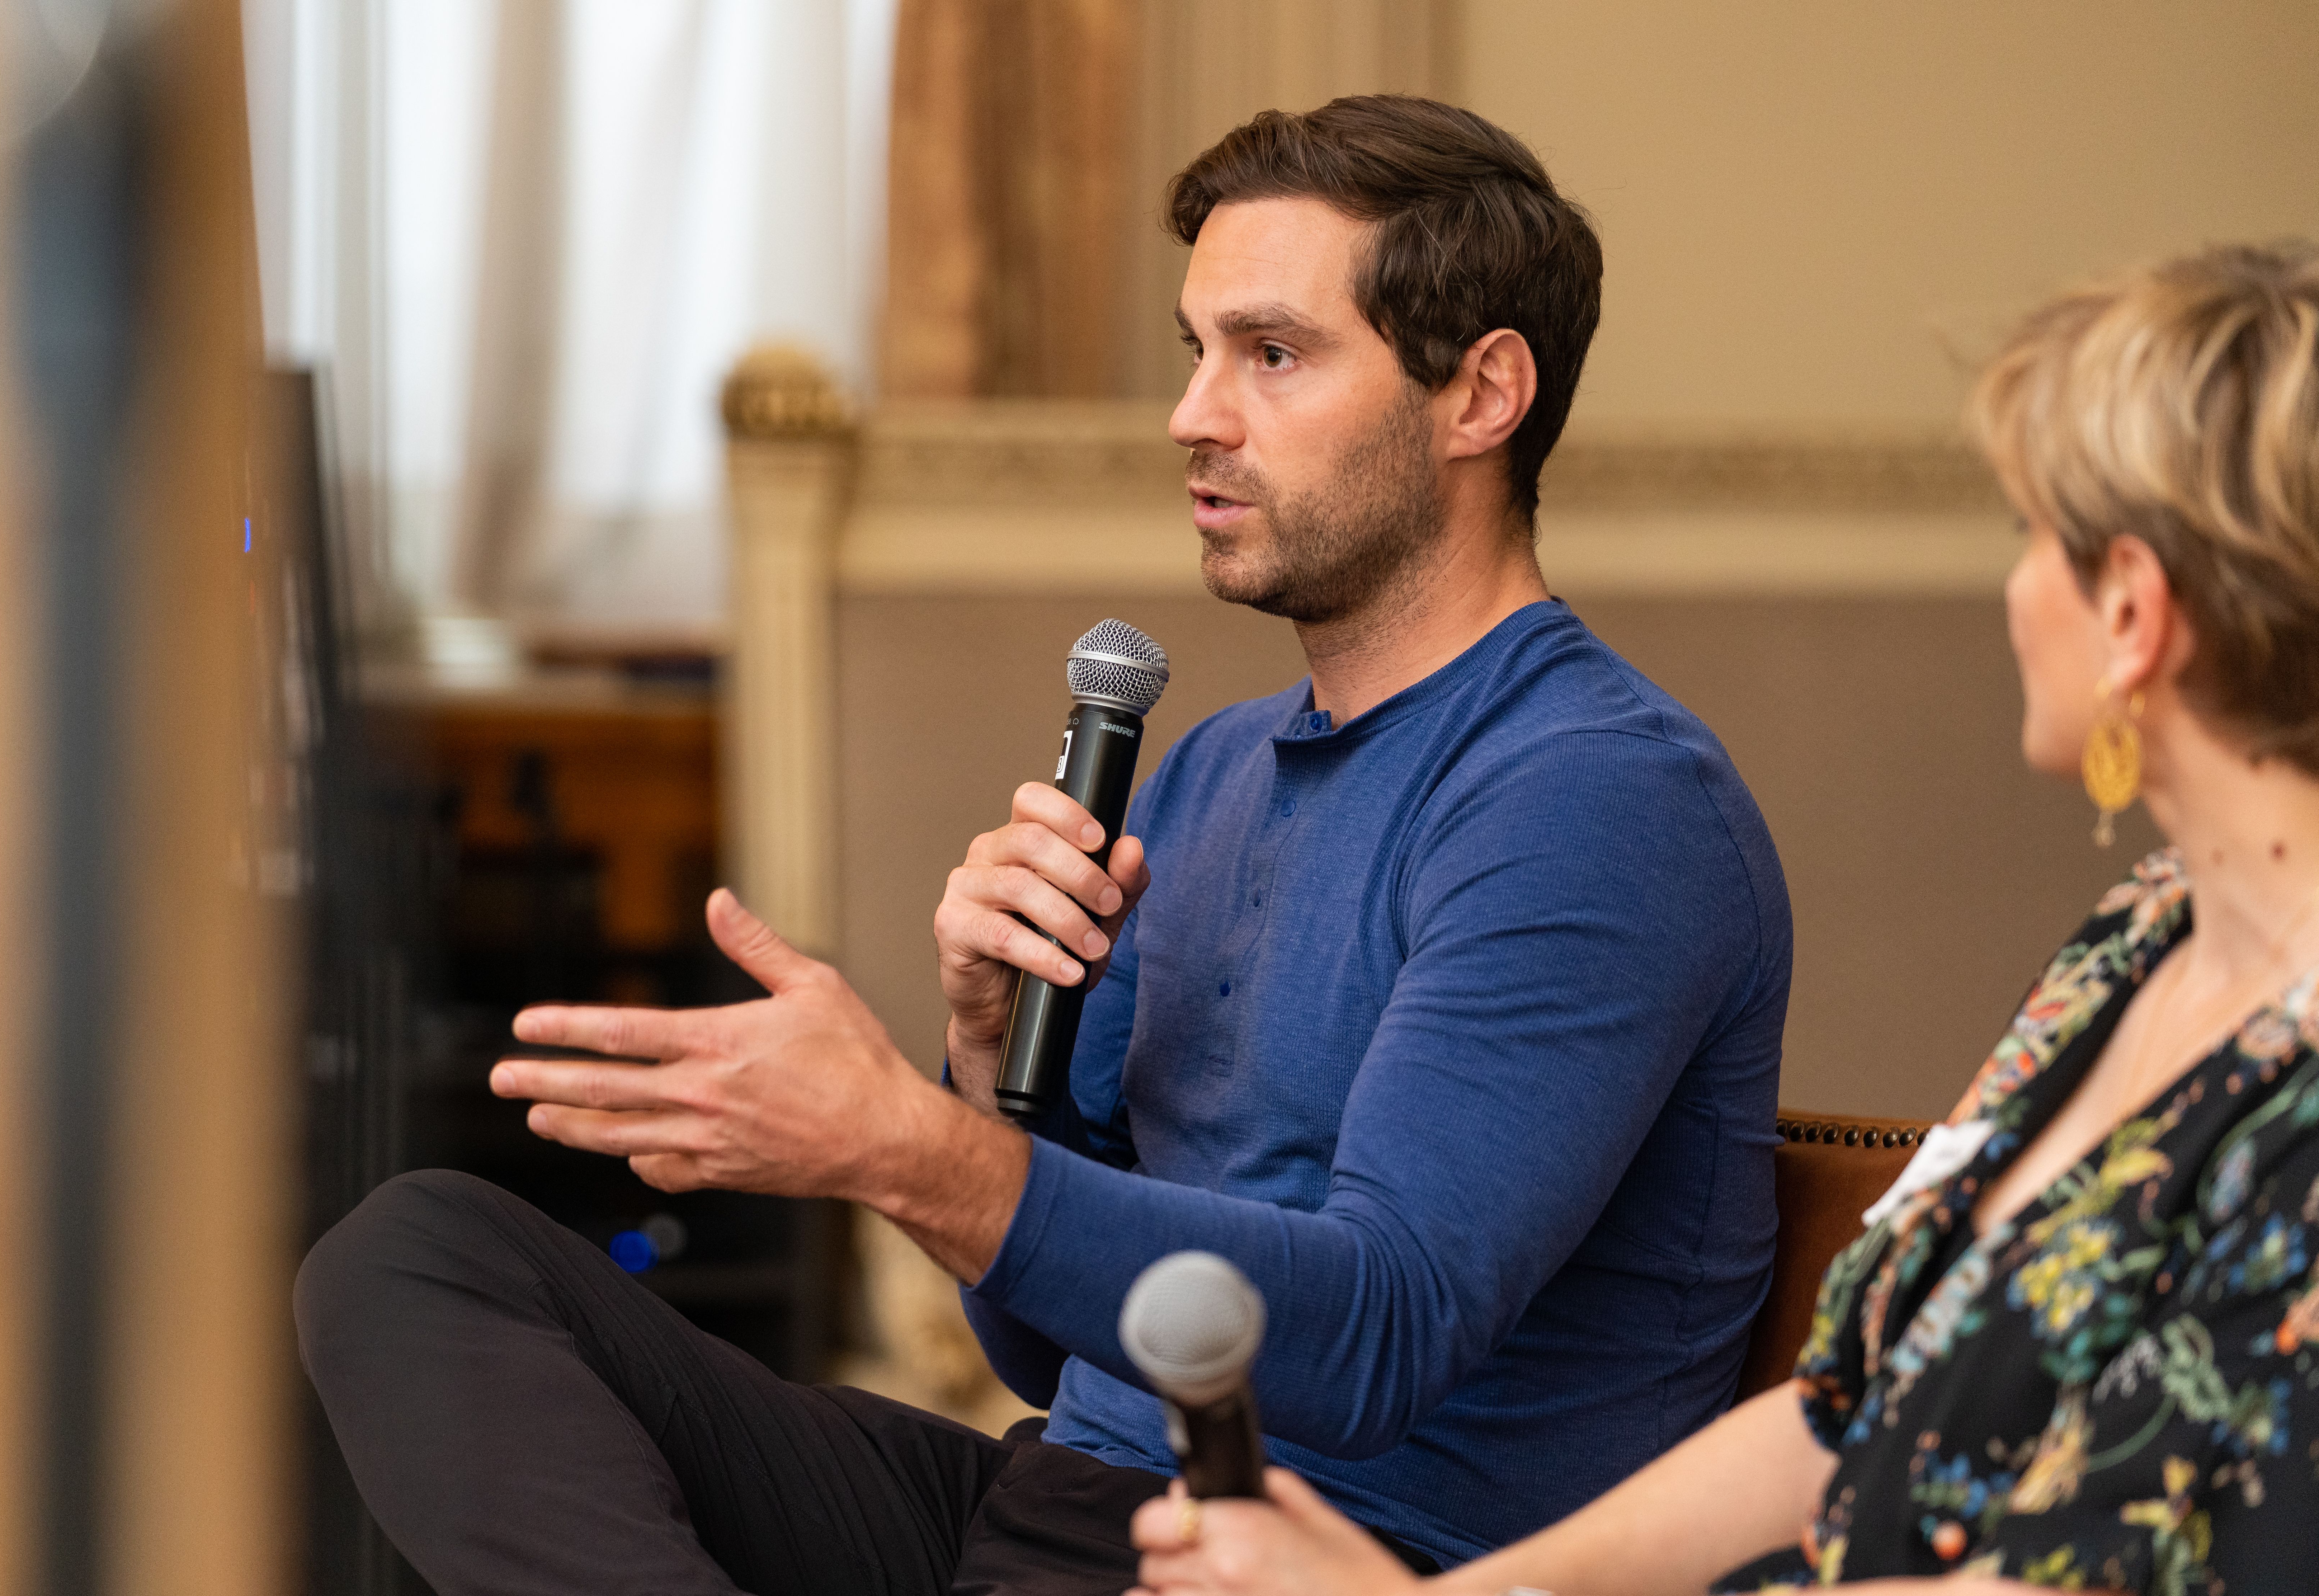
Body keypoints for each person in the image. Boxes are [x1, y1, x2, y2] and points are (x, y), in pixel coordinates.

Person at [295, 96, 1792, 1594]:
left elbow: (1376, 1337)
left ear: (1481, 396)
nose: (1194, 416)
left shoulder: (1593, 798)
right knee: (419, 1257)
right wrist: (984, 1058)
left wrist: (908, 1142)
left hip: (1321, 1559)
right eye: (1196, 350)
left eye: (1271, 354)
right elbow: (1034, 1347)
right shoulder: (1207, 772)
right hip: (1059, 1511)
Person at [1125, 241, 2319, 1596]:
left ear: (2134, 615)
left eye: (2032, 536)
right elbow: (1835, 1414)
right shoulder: (2136, 942)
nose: (2012, 589)